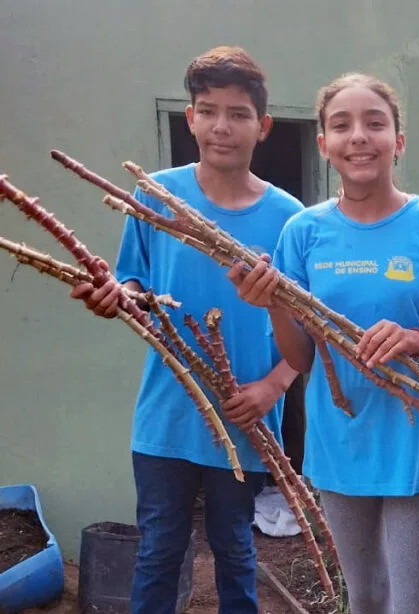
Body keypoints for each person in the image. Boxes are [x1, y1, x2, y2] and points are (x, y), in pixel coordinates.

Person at [227, 72, 419, 614]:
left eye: (375, 123)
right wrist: (274, 301)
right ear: (324, 144)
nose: (359, 137)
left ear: (399, 139)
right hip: (338, 439)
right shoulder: (303, 231)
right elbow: (300, 359)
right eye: (341, 125)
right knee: (367, 598)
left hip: (416, 438)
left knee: (416, 602)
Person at [71, 46, 303, 614]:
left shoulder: (291, 218)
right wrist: (116, 297)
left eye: (239, 113)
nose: (222, 126)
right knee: (158, 552)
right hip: (166, 415)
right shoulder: (155, 197)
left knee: (235, 550)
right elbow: (133, 287)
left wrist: (272, 387)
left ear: (263, 126)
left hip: (245, 414)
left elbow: (305, 330)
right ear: (189, 118)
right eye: (208, 110)